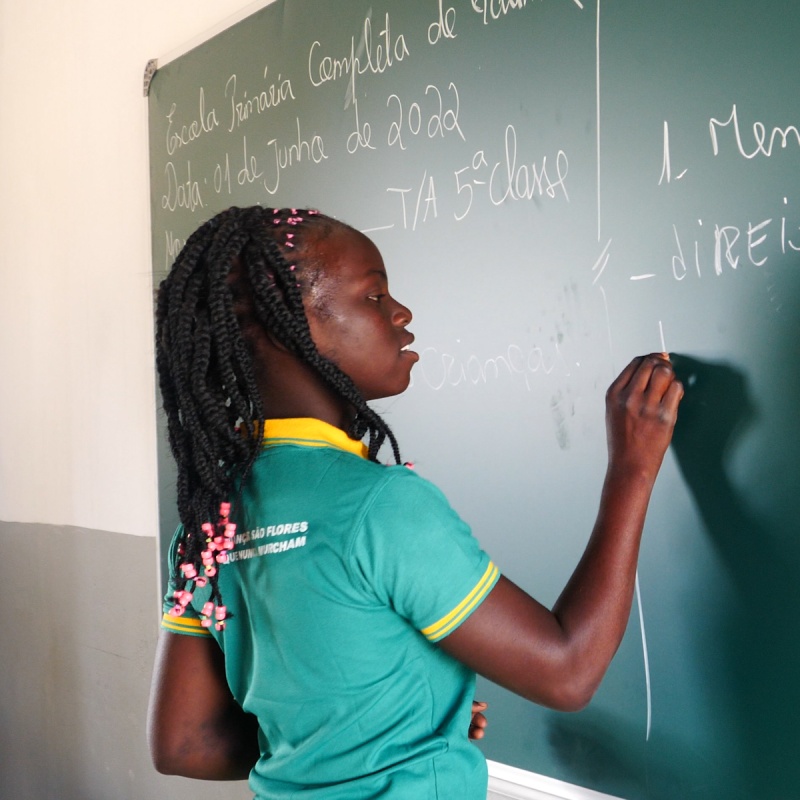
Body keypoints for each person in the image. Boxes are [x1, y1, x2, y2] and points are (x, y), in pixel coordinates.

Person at [147, 206, 683, 799]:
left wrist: (378, 726)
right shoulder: (380, 506)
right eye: (373, 296)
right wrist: (632, 469)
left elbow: (185, 743)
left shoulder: (208, 524)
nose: (400, 313)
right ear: (283, 328)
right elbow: (568, 671)